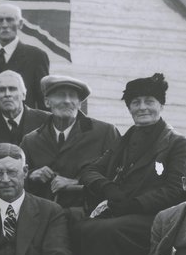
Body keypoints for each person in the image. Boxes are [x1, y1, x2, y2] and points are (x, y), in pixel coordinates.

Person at [74, 73, 186, 255]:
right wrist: (108, 188)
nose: (142, 108)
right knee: (82, 228)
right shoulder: (125, 140)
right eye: (135, 103)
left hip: (157, 218)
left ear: (161, 105)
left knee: (108, 231)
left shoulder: (176, 143)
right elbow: (89, 171)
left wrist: (134, 204)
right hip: (123, 213)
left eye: (149, 101)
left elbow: (174, 190)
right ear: (129, 108)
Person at [21, 75, 120, 207]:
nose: (67, 101)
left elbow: (119, 176)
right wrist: (32, 175)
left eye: (72, 96)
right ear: (46, 102)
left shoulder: (105, 132)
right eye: (60, 95)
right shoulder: (31, 140)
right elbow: (16, 178)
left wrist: (78, 183)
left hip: (89, 216)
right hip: (44, 216)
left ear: (79, 103)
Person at [0, 4, 49, 126]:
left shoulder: (36, 57)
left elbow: (44, 101)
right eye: (0, 20)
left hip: (25, 131)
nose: (5, 25)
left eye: (10, 19)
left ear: (20, 23)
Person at [0, 70, 49, 152]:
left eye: (12, 89)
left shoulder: (46, 121)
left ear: (24, 95)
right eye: (1, 90)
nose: (7, 94)